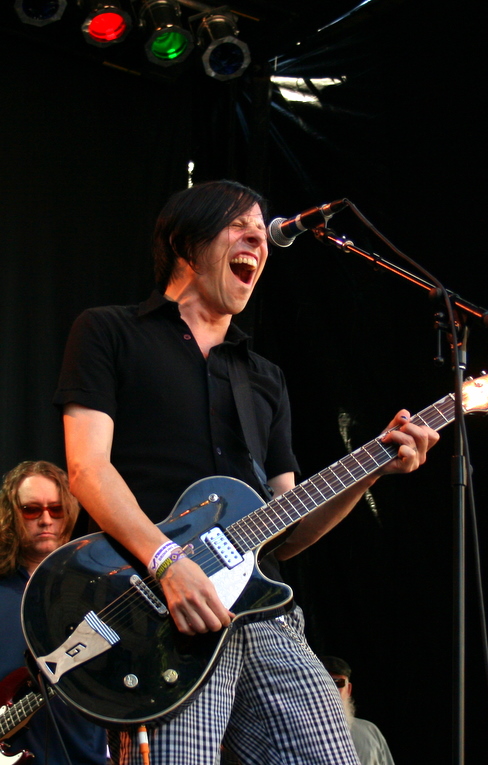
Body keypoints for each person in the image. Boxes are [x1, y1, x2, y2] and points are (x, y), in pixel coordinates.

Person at [54, 179, 439, 765]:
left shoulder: (263, 376)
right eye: (239, 225)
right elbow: (86, 469)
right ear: (187, 243)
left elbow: (289, 527)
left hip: (263, 613)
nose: (258, 238)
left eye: (262, 231)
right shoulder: (110, 331)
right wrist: (169, 562)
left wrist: (371, 470)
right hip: (161, 611)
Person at [0, 459, 108, 764]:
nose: (46, 520)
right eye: (32, 510)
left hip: (82, 755)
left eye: (56, 509)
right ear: (12, 514)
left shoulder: (96, 590)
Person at [321, 656, 395, 765]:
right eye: (324, 683)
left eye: (338, 683)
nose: (331, 690)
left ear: (349, 689)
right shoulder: (294, 734)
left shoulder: (370, 731)